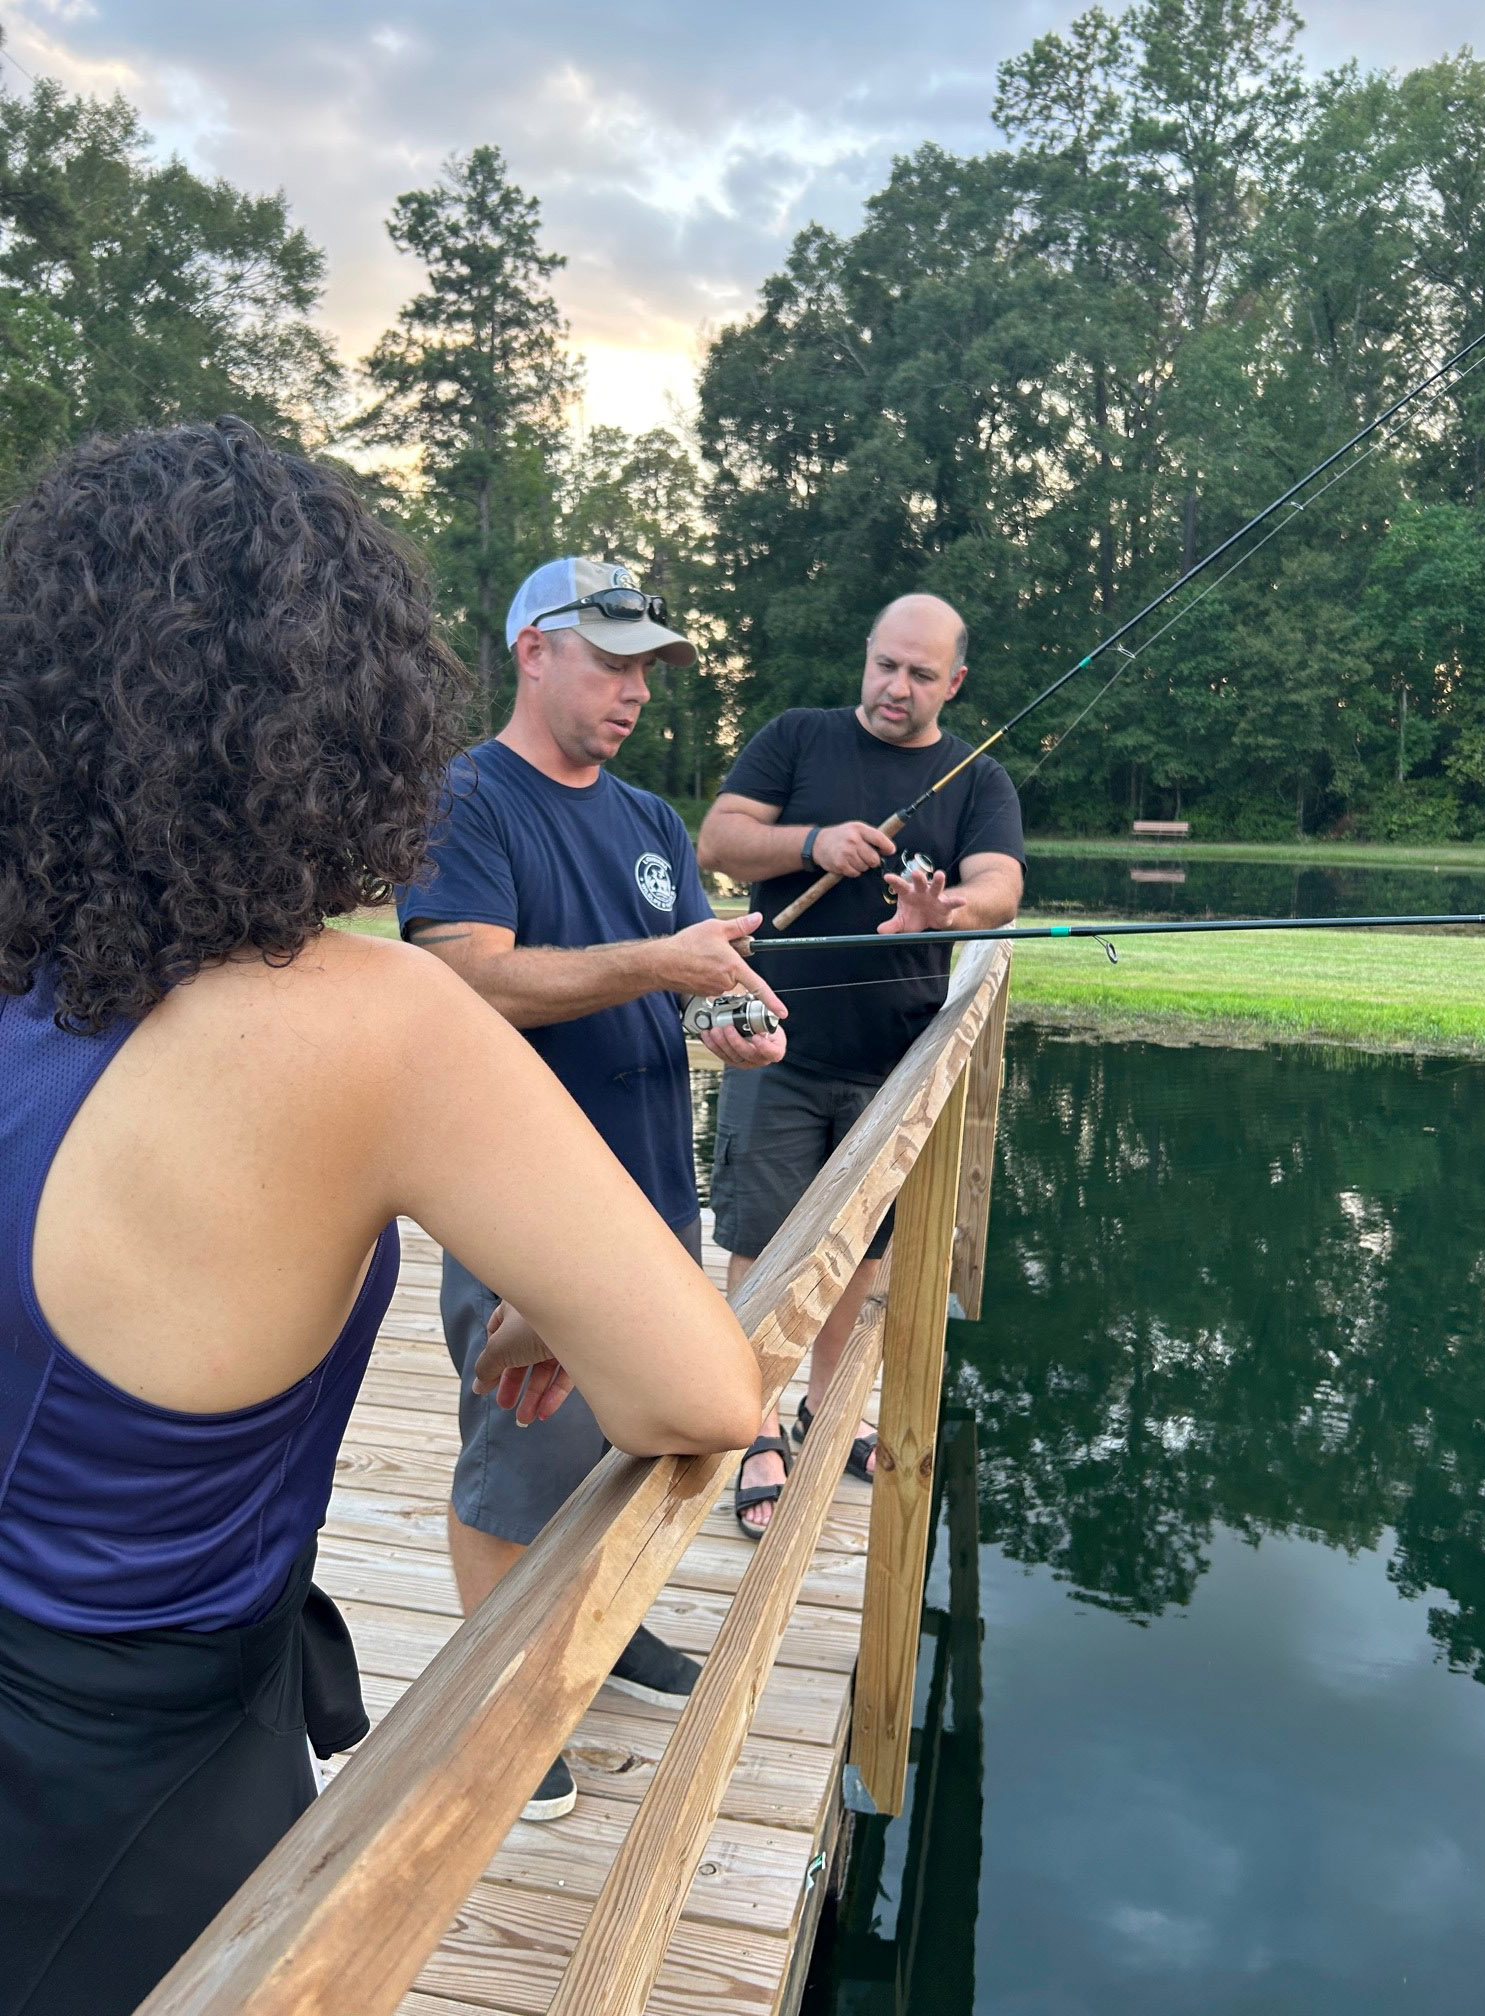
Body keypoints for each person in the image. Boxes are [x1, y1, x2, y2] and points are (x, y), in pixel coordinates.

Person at [0, 420, 763, 2016]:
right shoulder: (375, 1021)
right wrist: (578, 1287)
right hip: (143, 1786)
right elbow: (700, 1392)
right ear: (340, 711)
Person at [395, 555, 786, 1818]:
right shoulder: (466, 801)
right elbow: (469, 981)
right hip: (526, 1209)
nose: (633, 693)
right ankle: (499, 1706)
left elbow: (676, 975)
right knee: (514, 1463)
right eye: (610, 662)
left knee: (633, 1442)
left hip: (658, 1192)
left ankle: (602, 1634)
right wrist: (658, 966)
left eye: (646, 671)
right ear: (533, 653)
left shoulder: (655, 822)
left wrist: (728, 1014)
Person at [697, 593, 1025, 1535]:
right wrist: (813, 844)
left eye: (923, 674)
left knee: (865, 1254)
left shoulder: (976, 777)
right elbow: (721, 837)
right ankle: (753, 1426)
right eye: (887, 665)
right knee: (760, 1239)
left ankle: (826, 1414)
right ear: (867, 658)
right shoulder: (798, 739)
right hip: (776, 1047)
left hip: (897, 1061)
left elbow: (1000, 884)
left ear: (952, 683)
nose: (898, 686)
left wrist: (944, 912)